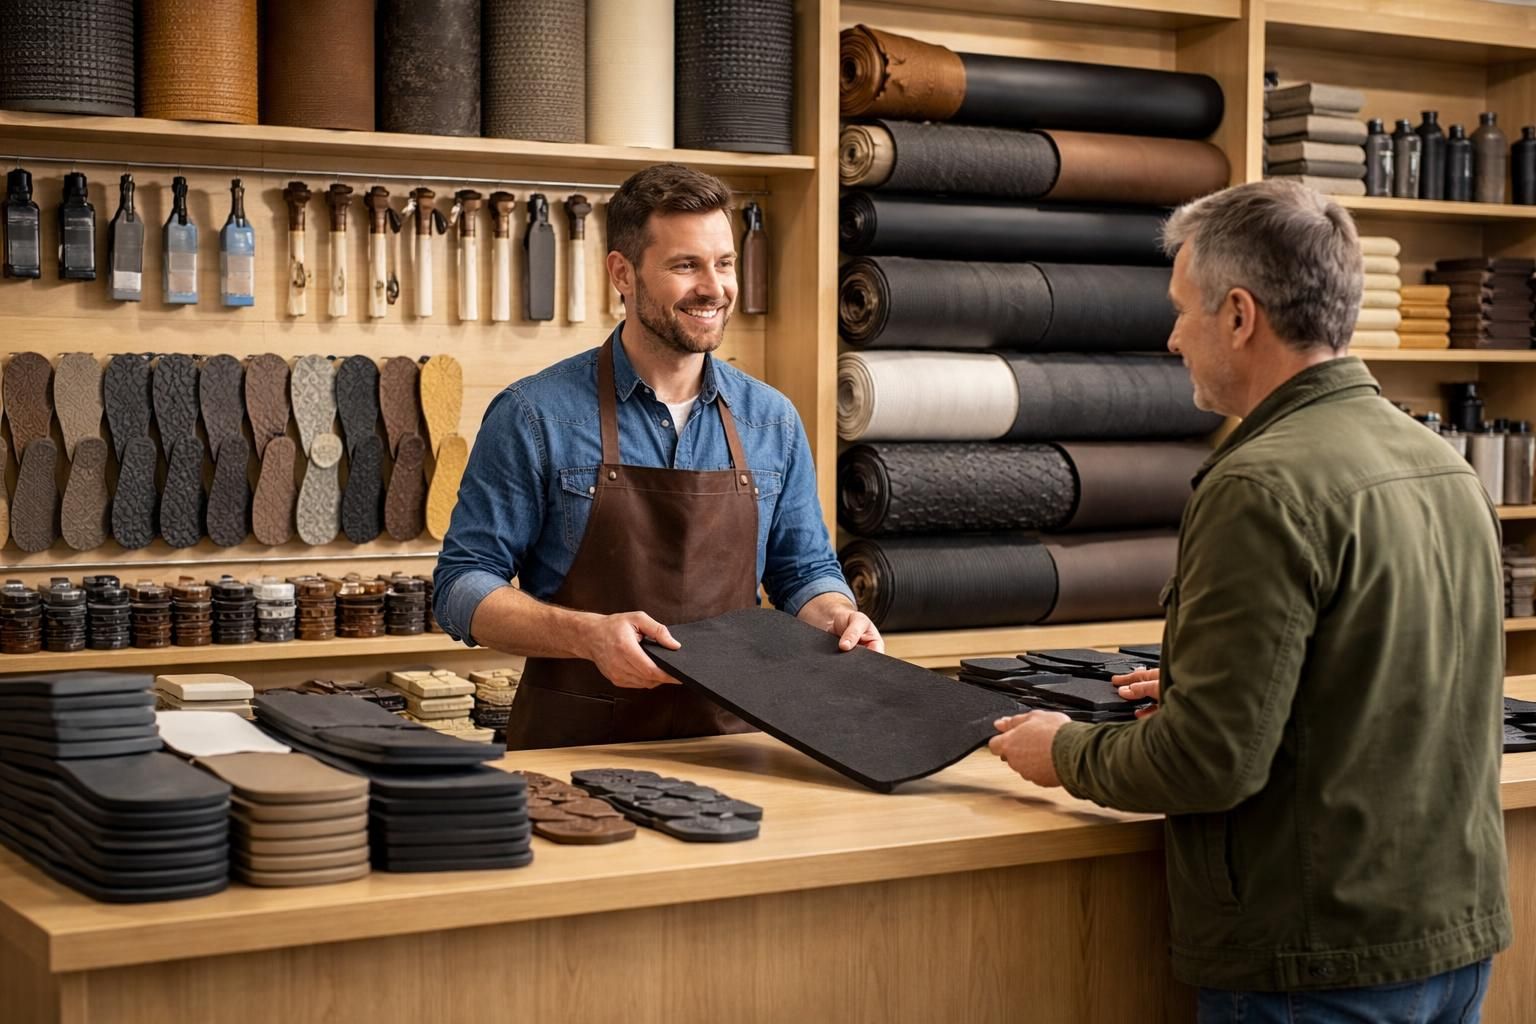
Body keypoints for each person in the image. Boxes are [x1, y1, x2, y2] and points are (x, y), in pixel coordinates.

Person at [989, 180, 1510, 1021]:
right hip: (1451, 943)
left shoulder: (1261, 486)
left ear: (1239, 315)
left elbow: (1209, 764)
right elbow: (1404, 678)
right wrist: (1219, 685)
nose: (1171, 338)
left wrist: (1068, 751)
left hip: (1319, 963)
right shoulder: (1442, 463)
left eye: (1184, 311)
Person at [434, 163, 880, 750]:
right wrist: (587, 635)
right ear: (622, 272)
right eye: (685, 265)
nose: (714, 287)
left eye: (723, 263)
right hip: (576, 746)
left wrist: (838, 617)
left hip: (734, 742)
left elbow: (802, 573)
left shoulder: (771, 420)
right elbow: (461, 588)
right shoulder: (533, 414)